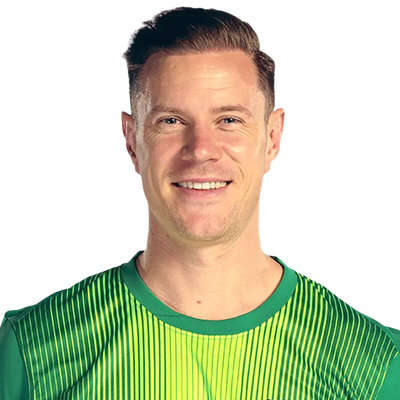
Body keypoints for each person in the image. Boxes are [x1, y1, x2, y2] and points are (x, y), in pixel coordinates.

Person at [1, 4, 399, 399]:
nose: (201, 150)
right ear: (130, 139)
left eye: (229, 120)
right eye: (171, 121)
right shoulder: (26, 348)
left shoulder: (376, 362)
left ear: (274, 138)